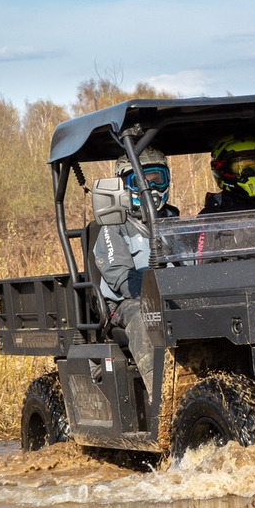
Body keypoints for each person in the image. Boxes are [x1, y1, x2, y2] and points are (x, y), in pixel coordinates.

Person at [93, 146, 179, 391]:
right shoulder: (113, 224)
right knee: (145, 318)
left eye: (155, 179)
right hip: (126, 303)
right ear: (124, 186)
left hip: (173, 296)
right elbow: (122, 278)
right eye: (140, 181)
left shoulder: (174, 222)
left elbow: (194, 262)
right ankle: (161, 400)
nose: (149, 188)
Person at [199, 135, 255, 214]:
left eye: (253, 165)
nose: (248, 173)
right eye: (238, 167)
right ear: (220, 169)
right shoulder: (212, 213)